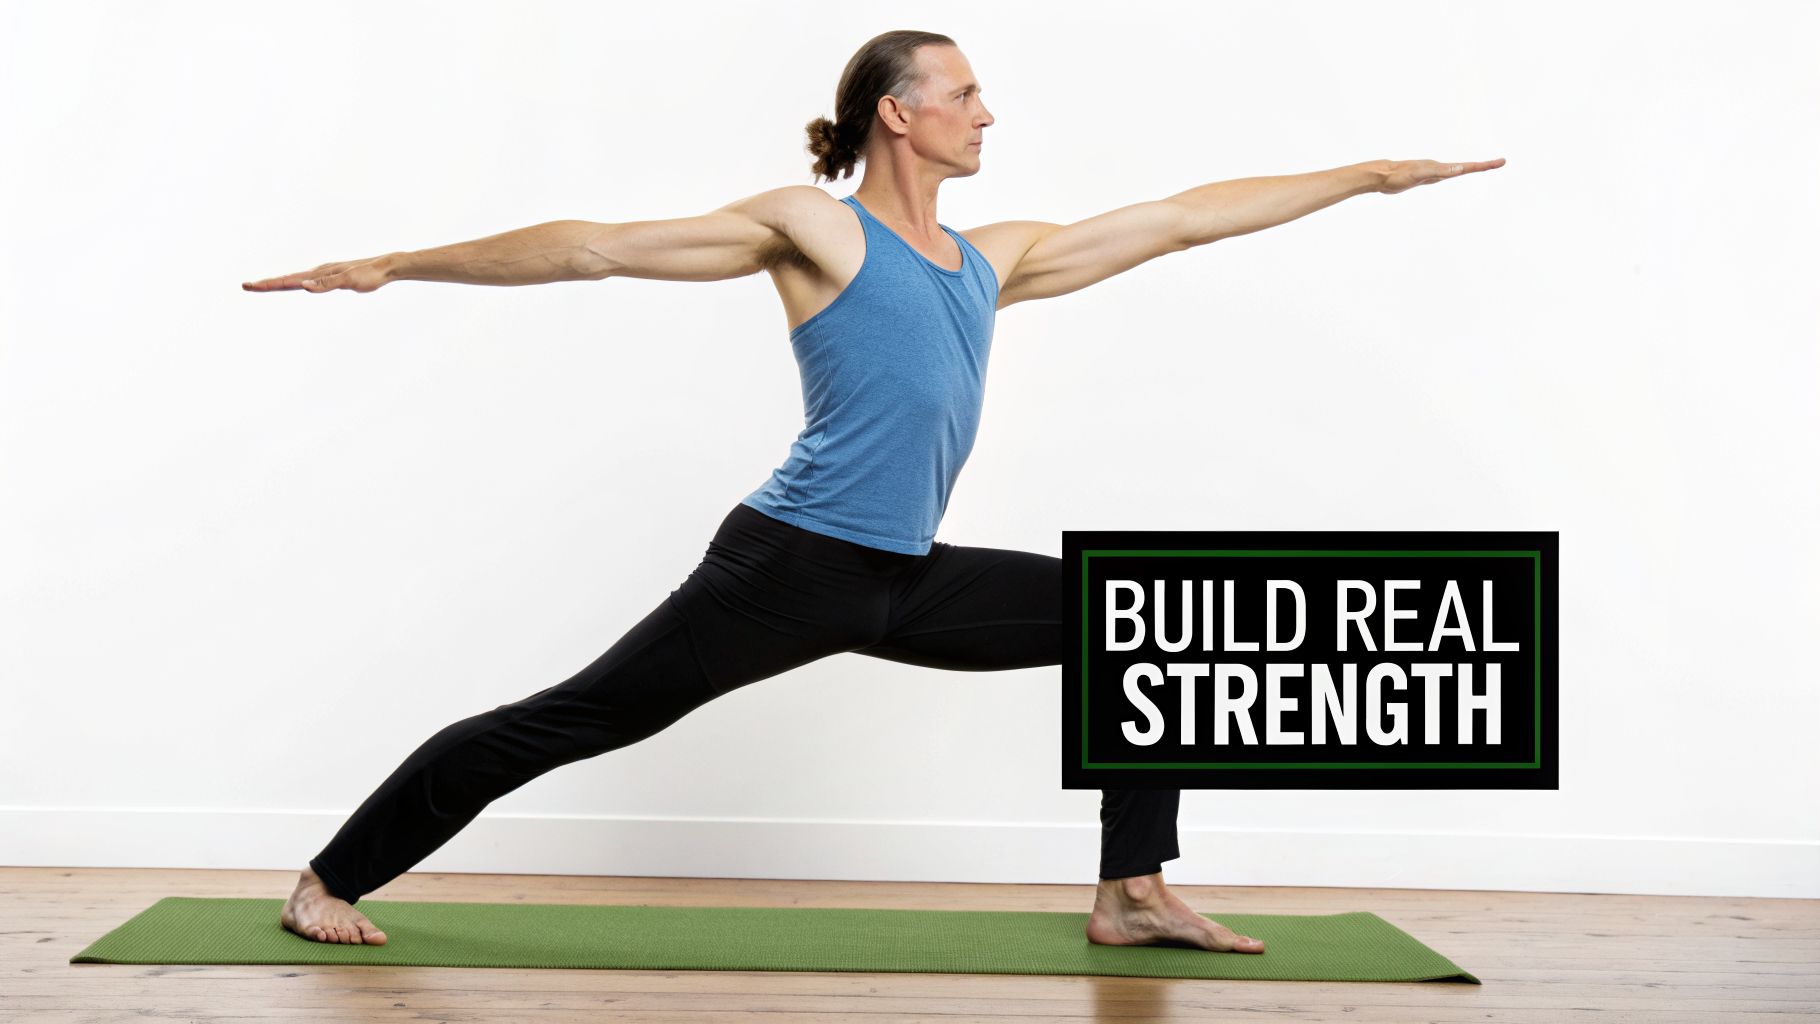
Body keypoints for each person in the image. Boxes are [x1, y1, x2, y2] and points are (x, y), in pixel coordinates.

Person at [243, 29, 1502, 953]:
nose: (984, 115)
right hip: (785, 567)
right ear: (896, 114)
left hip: (906, 573)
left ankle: (1130, 893)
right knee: (570, 720)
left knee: (1142, 621)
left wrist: (1368, 175)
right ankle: (328, 880)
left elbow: (1177, 219)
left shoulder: (985, 259)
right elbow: (592, 248)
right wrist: (391, 265)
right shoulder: (813, 227)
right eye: (963, 95)